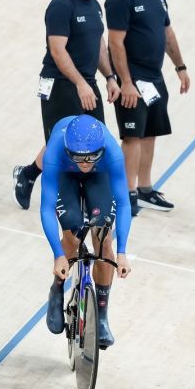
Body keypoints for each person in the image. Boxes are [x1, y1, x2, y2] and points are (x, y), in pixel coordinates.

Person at [12, 0, 120, 210]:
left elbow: (99, 45)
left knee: (94, 139)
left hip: (86, 81)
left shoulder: (95, 7)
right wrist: (80, 84)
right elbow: (58, 50)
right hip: (60, 82)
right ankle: (33, 179)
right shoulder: (61, 6)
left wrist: (110, 77)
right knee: (61, 142)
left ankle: (33, 174)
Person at [105, 0, 190, 216]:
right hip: (133, 78)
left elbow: (167, 33)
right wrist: (125, 82)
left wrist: (180, 66)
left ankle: (144, 188)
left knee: (150, 134)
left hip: (155, 78)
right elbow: (115, 43)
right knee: (132, 136)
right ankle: (126, 192)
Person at [40, 114, 132, 347]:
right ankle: (57, 287)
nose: (84, 164)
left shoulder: (112, 153)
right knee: (72, 232)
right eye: (79, 158)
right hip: (64, 174)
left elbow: (123, 203)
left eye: (90, 158)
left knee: (103, 239)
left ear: (100, 151)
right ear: (69, 151)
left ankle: (101, 315)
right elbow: (46, 208)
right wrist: (58, 255)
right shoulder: (54, 152)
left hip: (99, 176)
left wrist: (122, 252)